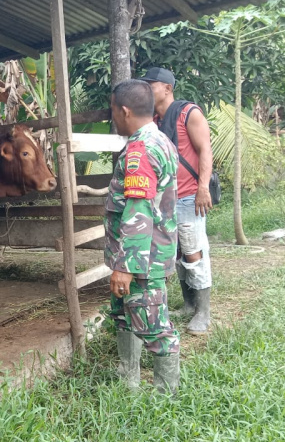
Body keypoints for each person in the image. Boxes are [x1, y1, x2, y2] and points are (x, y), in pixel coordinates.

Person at [105, 79, 180, 393]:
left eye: (113, 111)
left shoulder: (141, 150)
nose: (113, 118)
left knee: (154, 327)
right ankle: (129, 380)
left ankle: (166, 396)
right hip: (145, 254)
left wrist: (125, 266)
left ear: (124, 111)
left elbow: (139, 209)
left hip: (141, 260)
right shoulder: (160, 139)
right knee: (125, 316)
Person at [140, 67, 213, 335]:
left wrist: (203, 187)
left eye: (151, 85)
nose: (147, 90)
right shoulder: (153, 121)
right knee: (178, 252)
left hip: (189, 196)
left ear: (167, 88)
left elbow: (205, 149)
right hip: (165, 199)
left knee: (194, 251)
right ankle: (188, 304)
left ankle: (203, 312)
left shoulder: (188, 113)